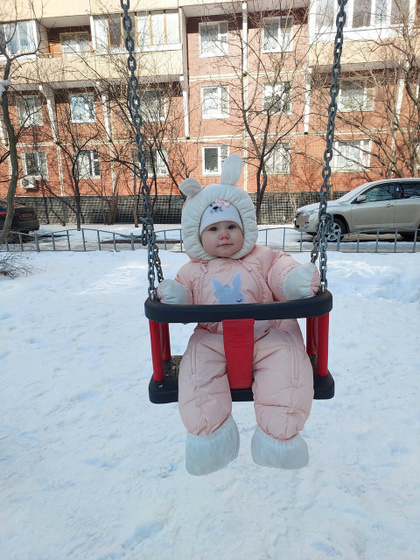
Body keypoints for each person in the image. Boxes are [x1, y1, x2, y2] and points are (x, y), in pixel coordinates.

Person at [157, 154, 320, 476]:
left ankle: (280, 440)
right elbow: (185, 293)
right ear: (197, 235)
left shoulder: (264, 256)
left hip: (270, 332)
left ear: (245, 227)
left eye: (232, 226)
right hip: (212, 338)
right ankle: (210, 440)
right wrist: (177, 296)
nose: (224, 234)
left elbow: (280, 272)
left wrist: (293, 281)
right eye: (214, 228)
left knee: (287, 373)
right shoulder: (193, 269)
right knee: (196, 375)